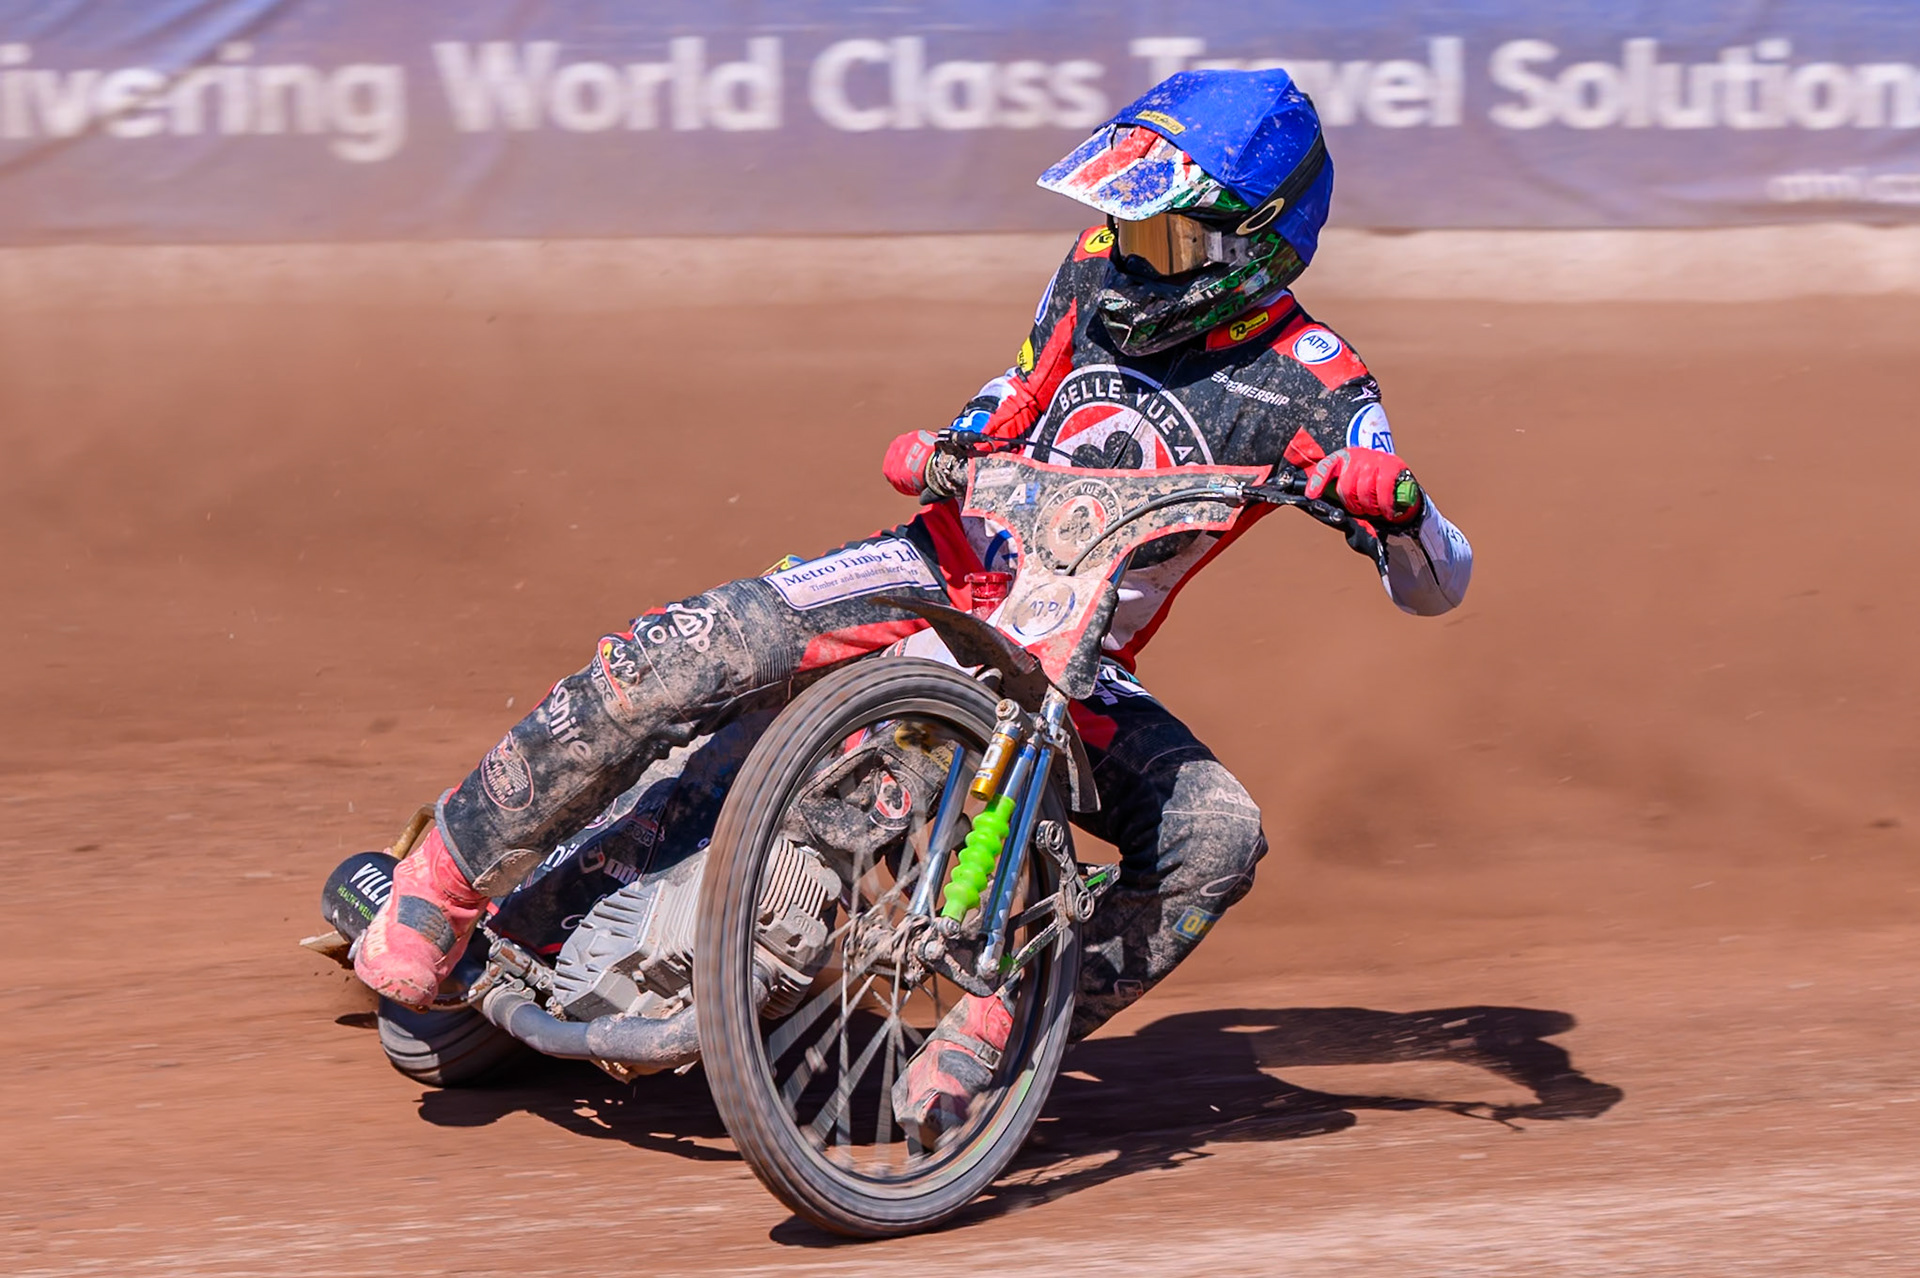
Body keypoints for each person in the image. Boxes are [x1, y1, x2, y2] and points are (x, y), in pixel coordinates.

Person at [354, 68, 1472, 1142]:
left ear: (1254, 243)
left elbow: (1438, 585)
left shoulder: (1319, 385)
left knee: (1214, 835)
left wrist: (1403, 510)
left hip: (1068, 655)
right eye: (1128, 228)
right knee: (689, 648)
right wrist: (958, 441)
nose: (1131, 254)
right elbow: (1019, 386)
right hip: (937, 568)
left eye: (1162, 237)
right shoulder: (1094, 266)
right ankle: (443, 879)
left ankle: (1007, 1019)